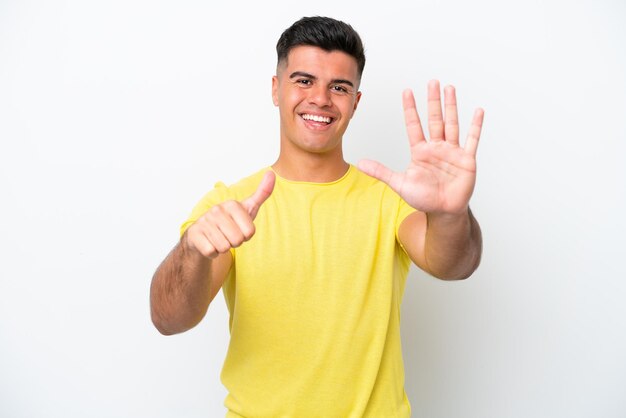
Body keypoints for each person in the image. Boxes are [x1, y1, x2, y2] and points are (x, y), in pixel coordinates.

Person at [150, 16, 484, 418]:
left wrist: (450, 214)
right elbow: (168, 318)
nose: (321, 99)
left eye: (339, 87)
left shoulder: (390, 200)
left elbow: (455, 265)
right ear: (276, 89)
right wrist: (193, 251)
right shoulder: (230, 206)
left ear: (355, 102)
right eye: (304, 80)